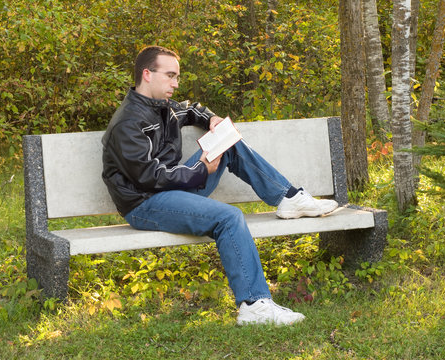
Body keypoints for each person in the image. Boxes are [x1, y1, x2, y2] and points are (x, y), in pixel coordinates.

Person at [102, 45, 338, 326]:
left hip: (171, 191)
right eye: (170, 76)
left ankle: (288, 198)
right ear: (147, 74)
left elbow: (191, 110)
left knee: (228, 142)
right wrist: (200, 170)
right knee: (229, 217)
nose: (176, 84)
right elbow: (149, 177)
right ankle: (254, 306)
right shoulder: (128, 122)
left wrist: (211, 119)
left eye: (177, 77)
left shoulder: (163, 107)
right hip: (145, 203)